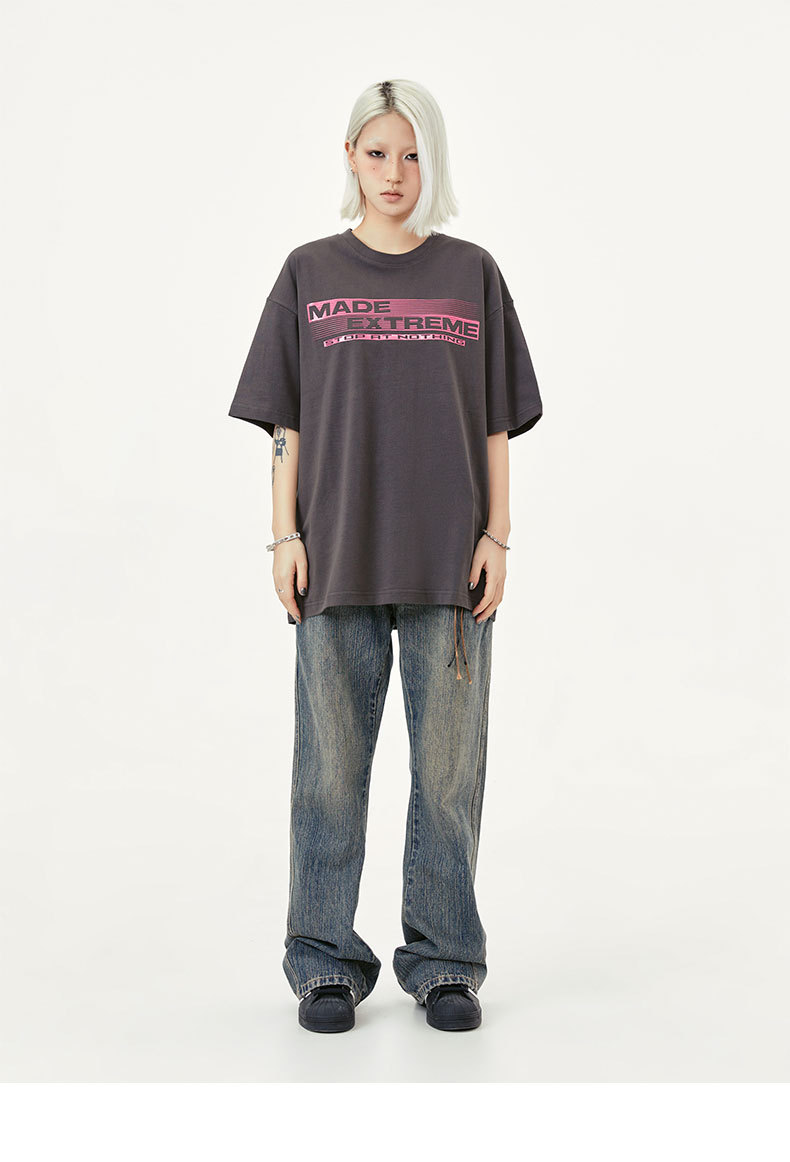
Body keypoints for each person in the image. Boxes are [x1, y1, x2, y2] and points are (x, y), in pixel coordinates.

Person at [228, 79, 543, 1033]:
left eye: (411, 154)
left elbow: (495, 420)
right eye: (377, 153)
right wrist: (284, 536)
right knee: (328, 772)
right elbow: (284, 422)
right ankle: (324, 961)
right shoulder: (308, 273)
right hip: (334, 558)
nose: (395, 173)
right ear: (350, 158)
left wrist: (497, 535)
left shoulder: (472, 272)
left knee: (447, 775)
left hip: (450, 562)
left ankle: (444, 961)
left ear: (431, 161)